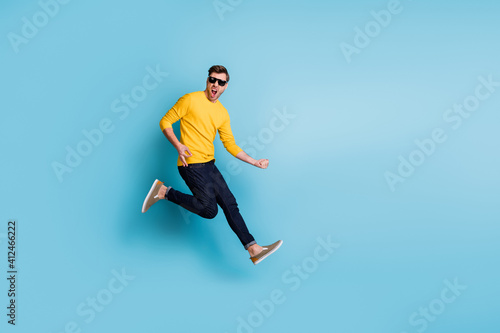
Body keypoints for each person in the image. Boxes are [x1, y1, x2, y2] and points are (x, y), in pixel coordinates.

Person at [142, 65, 282, 265]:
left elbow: (230, 144)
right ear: (207, 81)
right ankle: (164, 192)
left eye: (220, 82)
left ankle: (254, 249)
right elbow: (165, 122)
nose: (215, 84)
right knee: (209, 210)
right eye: (212, 80)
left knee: (230, 204)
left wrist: (254, 161)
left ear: (225, 86)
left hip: (209, 165)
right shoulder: (189, 100)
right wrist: (179, 146)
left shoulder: (222, 113)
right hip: (190, 164)